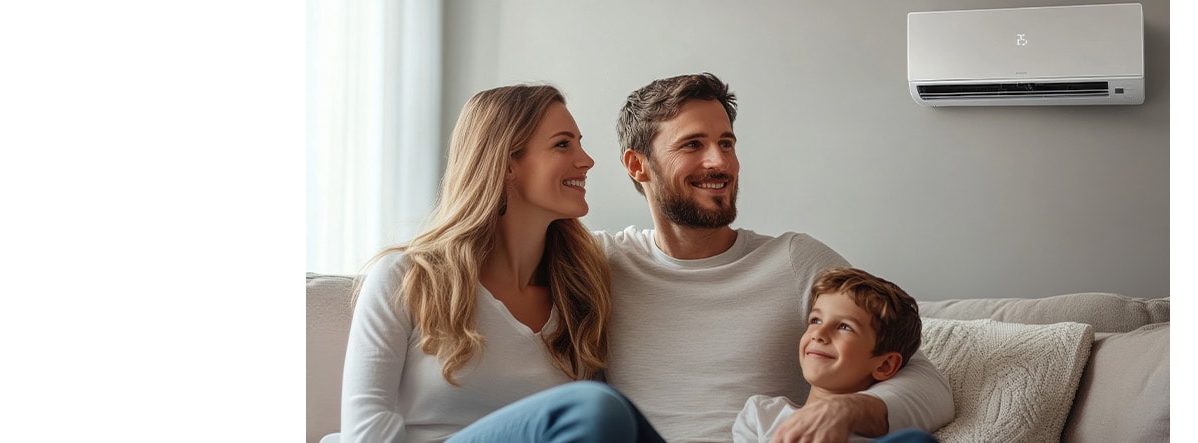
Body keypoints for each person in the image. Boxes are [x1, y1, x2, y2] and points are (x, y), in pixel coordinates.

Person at [594, 72, 955, 442]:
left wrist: (849, 409)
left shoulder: (793, 261)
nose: (720, 162)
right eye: (692, 145)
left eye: (726, 143)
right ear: (638, 166)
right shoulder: (599, 262)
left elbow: (928, 383)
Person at [339, 84, 661, 443]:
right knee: (595, 409)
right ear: (507, 165)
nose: (586, 160)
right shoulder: (406, 278)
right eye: (562, 144)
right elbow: (365, 432)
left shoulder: (580, 289)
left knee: (613, 417)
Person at [732, 267, 935, 443]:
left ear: (885, 365)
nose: (819, 334)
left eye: (845, 326)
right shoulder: (762, 414)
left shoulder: (884, 431)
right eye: (815, 320)